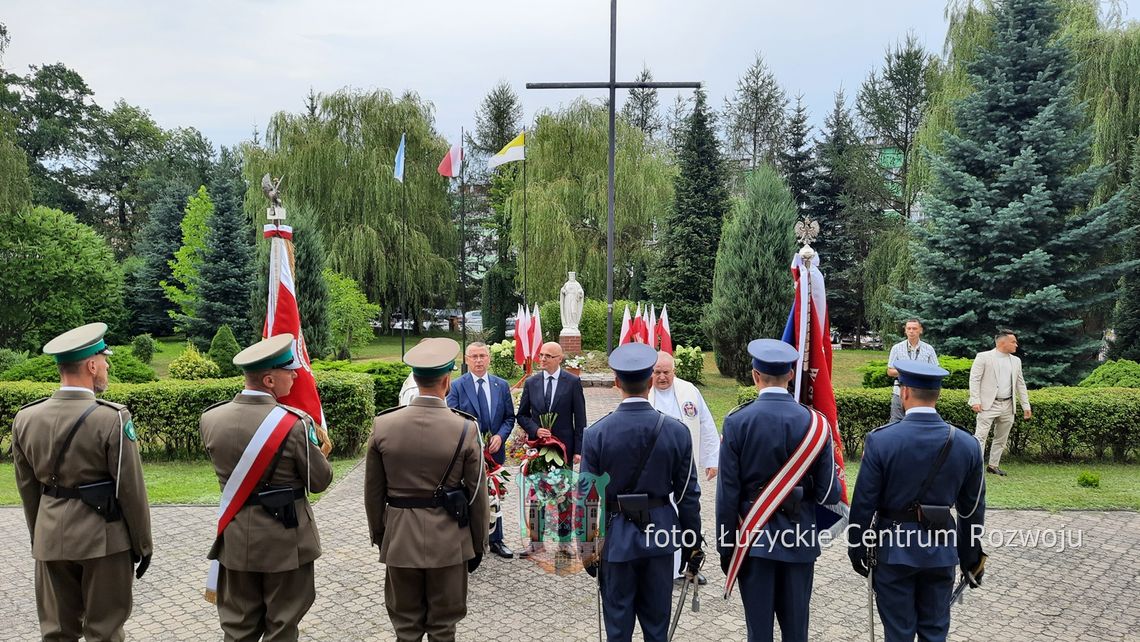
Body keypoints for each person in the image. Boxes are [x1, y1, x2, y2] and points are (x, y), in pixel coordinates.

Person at [12, 322, 153, 642]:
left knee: (57, 633)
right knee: (104, 631)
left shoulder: (26, 417)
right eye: (104, 360)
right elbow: (130, 490)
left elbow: (27, 488)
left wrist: (41, 536)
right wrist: (143, 544)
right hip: (103, 540)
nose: (107, 366)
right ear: (91, 365)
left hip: (50, 539)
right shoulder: (112, 417)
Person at [200, 333, 333, 641]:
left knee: (238, 628)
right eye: (289, 369)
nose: (296, 374)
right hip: (285, 543)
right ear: (270, 380)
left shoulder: (211, 418)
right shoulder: (295, 423)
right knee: (282, 627)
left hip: (235, 540)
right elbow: (320, 481)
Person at [848, 361, 986, 642]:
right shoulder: (967, 444)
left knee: (898, 632)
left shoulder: (881, 440)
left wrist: (857, 547)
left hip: (893, 550)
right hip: (941, 550)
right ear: (936, 396)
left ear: (905, 392)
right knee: (935, 632)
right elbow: (971, 510)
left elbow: (864, 503)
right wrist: (971, 559)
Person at [365, 337, 489, 642]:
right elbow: (477, 495)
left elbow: (372, 493)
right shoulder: (465, 427)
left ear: (415, 378)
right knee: (443, 627)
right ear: (447, 381)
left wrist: (382, 536)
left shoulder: (383, 425)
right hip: (448, 542)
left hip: (400, 539)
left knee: (405, 627)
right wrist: (477, 543)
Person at [716, 339, 839, 642]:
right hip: (800, 541)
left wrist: (725, 545)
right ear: (790, 376)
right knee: (797, 632)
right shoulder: (817, 424)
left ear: (755, 375)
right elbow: (829, 495)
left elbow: (727, 495)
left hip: (754, 540)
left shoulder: (737, 421)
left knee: (759, 633)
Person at [579, 342, 702, 642]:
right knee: (657, 629)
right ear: (650, 381)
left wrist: (587, 550)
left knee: (618, 631)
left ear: (617, 382)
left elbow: (587, 499)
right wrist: (691, 545)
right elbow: (688, 495)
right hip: (660, 539)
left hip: (615, 541)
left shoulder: (596, 434)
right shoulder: (677, 432)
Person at [647, 350, 718, 585]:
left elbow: (706, 423)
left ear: (674, 371)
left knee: (689, 515)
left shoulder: (689, 391)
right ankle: (664, 567)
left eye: (666, 372)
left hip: (685, 467)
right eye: (656, 372)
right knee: (661, 517)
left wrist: (712, 459)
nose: (661, 377)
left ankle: (690, 565)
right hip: (655, 471)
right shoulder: (644, 393)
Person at [446, 341, 518, 559]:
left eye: (482, 356)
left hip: (494, 455)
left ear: (489, 358)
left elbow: (509, 417)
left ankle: (497, 539)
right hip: (467, 454)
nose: (478, 360)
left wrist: (500, 436)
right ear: (466, 360)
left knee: (495, 495)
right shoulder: (457, 386)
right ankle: (470, 543)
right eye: (474, 356)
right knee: (469, 495)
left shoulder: (501, 385)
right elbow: (452, 417)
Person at [969, 328, 1032, 476]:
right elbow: (974, 379)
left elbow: (1020, 384)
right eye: (1013, 342)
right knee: (980, 436)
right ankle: (975, 467)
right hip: (987, 404)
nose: (1016, 344)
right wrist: (975, 400)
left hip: (1008, 405)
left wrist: (1026, 406)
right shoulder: (983, 357)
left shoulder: (1016, 361)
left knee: (1001, 438)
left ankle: (993, 465)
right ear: (1002, 342)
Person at [517, 341, 587, 464]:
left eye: (548, 356)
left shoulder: (572, 382)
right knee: (539, 483)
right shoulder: (531, 383)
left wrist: (578, 450)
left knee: (562, 483)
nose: (543, 359)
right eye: (541, 355)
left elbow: (580, 419)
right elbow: (522, 415)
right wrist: (535, 430)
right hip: (538, 446)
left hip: (564, 447)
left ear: (559, 358)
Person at [886, 319, 939, 422]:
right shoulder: (896, 348)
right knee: (896, 423)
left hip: (921, 394)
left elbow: (935, 371)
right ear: (905, 331)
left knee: (920, 423)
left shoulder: (929, 349)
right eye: (908, 328)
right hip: (900, 392)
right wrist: (907, 371)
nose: (911, 331)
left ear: (921, 330)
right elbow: (890, 371)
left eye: (914, 328)